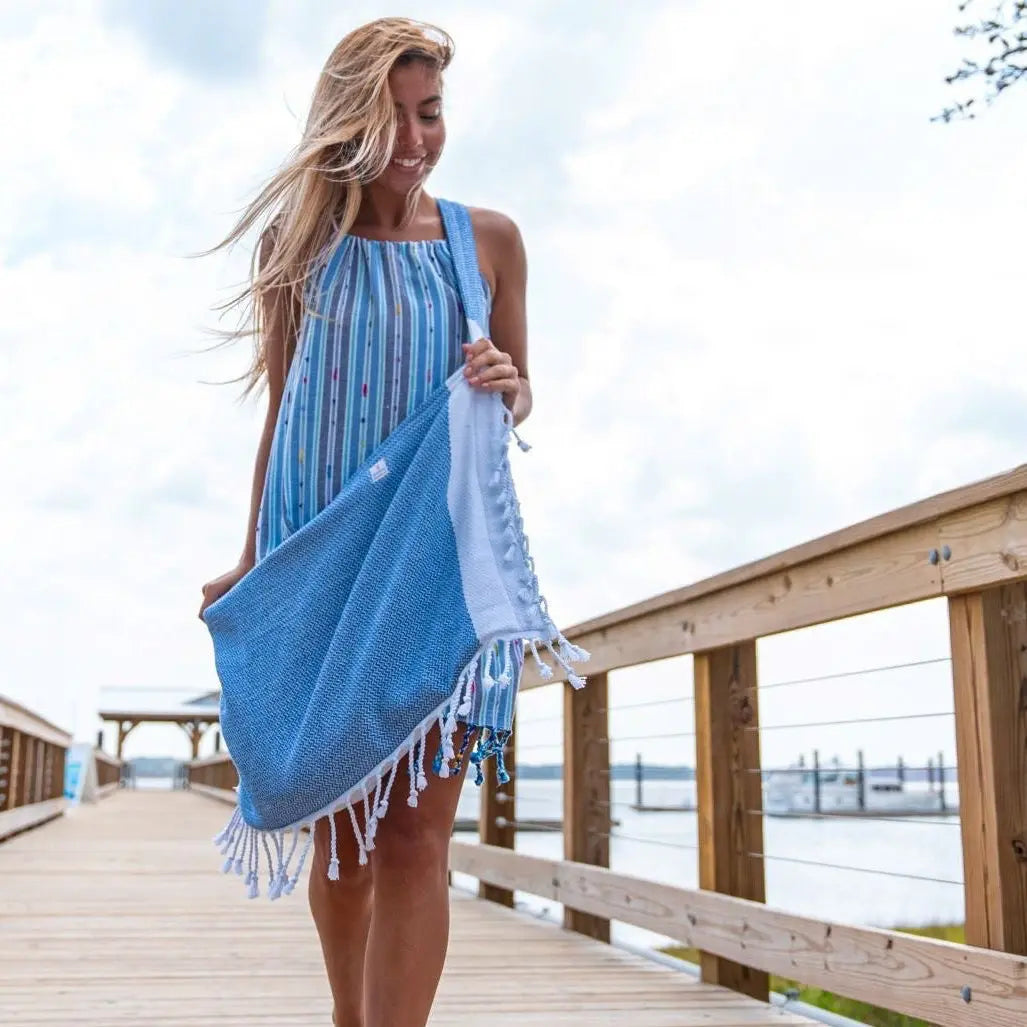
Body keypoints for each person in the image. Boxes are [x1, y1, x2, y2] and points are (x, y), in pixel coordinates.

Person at [196, 18, 531, 1027]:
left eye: (429, 114)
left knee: (417, 839)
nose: (416, 139)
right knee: (343, 841)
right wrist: (254, 559)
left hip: (437, 563)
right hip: (324, 559)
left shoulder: (491, 242)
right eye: (392, 119)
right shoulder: (297, 248)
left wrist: (507, 383)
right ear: (346, 124)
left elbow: (518, 400)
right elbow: (281, 411)